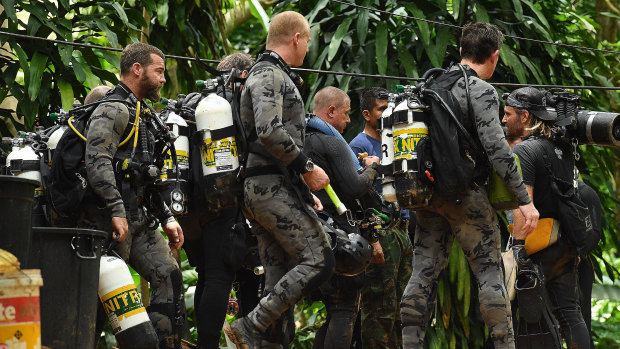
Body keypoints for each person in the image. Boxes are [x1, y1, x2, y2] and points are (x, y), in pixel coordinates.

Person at [399, 23, 539, 349]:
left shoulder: (433, 83)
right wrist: (523, 200)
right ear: (493, 56)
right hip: (465, 195)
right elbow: (497, 148)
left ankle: (409, 344)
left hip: (429, 195)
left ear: (462, 51)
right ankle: (505, 345)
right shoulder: (482, 91)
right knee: (490, 273)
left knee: (422, 271)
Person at [224, 11, 335, 349]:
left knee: (278, 273)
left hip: (268, 188)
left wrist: (302, 188)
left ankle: (266, 342)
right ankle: (249, 325)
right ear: (297, 39)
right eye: (308, 42)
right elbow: (270, 131)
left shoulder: (271, 74)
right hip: (267, 187)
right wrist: (307, 168)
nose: (308, 51)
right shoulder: (269, 74)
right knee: (319, 258)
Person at [80, 42, 185, 349]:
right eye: (159, 71)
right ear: (137, 69)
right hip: (109, 219)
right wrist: (114, 208)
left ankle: (164, 344)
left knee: (169, 275)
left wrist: (166, 217)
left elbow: (145, 173)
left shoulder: (143, 112)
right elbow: (96, 160)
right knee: (101, 296)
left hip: (139, 218)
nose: (163, 79)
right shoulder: (113, 108)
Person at [502, 87, 600, 348]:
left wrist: (518, 250)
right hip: (565, 244)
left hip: (536, 246)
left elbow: (525, 206)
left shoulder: (525, 152)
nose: (503, 120)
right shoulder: (562, 148)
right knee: (570, 314)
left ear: (525, 117)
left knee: (523, 318)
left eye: (508, 114)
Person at [177, 52, 260, 349]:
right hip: (222, 202)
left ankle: (205, 343)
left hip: (192, 208)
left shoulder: (195, 103)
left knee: (207, 274)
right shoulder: (231, 105)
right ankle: (209, 345)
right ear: (242, 76)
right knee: (218, 276)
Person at [303, 86, 378, 349]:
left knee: (333, 310)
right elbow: (356, 187)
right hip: (338, 240)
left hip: (307, 238)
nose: (348, 120)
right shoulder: (331, 142)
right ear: (331, 111)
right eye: (346, 114)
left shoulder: (298, 141)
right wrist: (372, 168)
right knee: (344, 309)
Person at [349, 87, 413, 349]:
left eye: (390, 108)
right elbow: (356, 196)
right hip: (381, 231)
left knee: (402, 307)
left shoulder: (396, 139)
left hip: (403, 229)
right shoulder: (359, 146)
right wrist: (371, 237)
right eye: (381, 109)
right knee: (380, 308)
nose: (387, 114)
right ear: (366, 114)